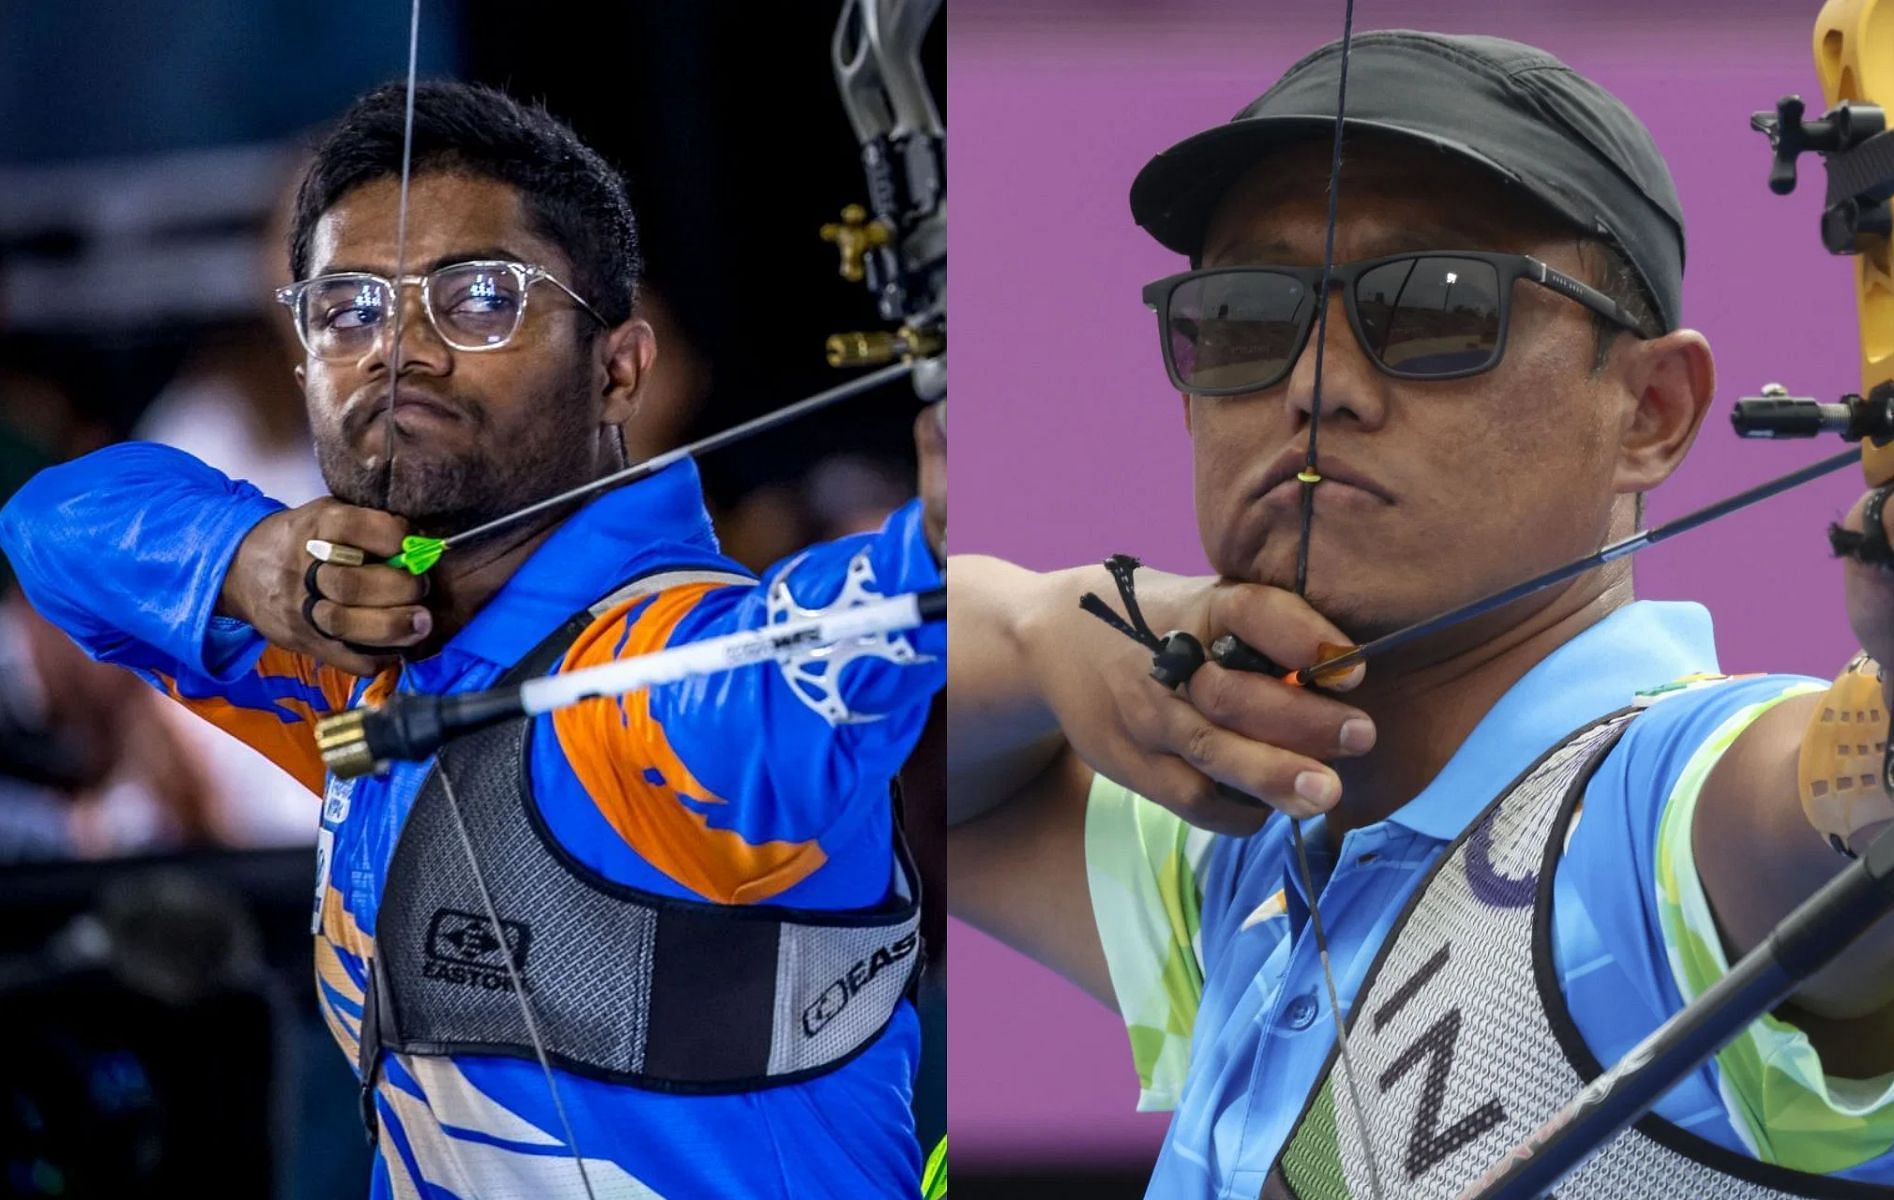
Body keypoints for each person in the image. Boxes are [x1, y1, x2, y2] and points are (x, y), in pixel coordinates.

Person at [949, 31, 1894, 1197]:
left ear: (1649, 411)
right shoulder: (1246, 852)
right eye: (1246, 316)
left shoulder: (1663, 820)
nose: (1314, 382)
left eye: (1439, 306)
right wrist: (1050, 629)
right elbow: (890, 735)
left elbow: (1833, 811)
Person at [1, 80, 945, 1198]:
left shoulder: (663, 677)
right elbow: (52, 524)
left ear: (620, 367)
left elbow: (805, 661)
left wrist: (941, 533)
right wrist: (251, 565)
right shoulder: (360, 639)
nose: (400, 350)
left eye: (482, 297)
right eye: (345, 308)